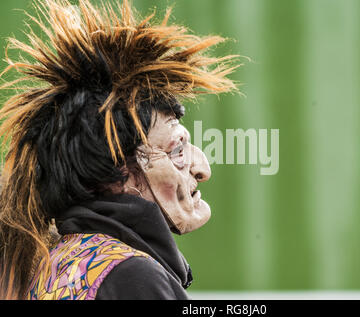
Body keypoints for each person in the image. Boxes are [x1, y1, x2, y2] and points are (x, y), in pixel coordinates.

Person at [0, 0, 239, 300]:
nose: (202, 168)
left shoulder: (57, 265)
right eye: (177, 150)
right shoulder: (131, 276)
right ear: (118, 176)